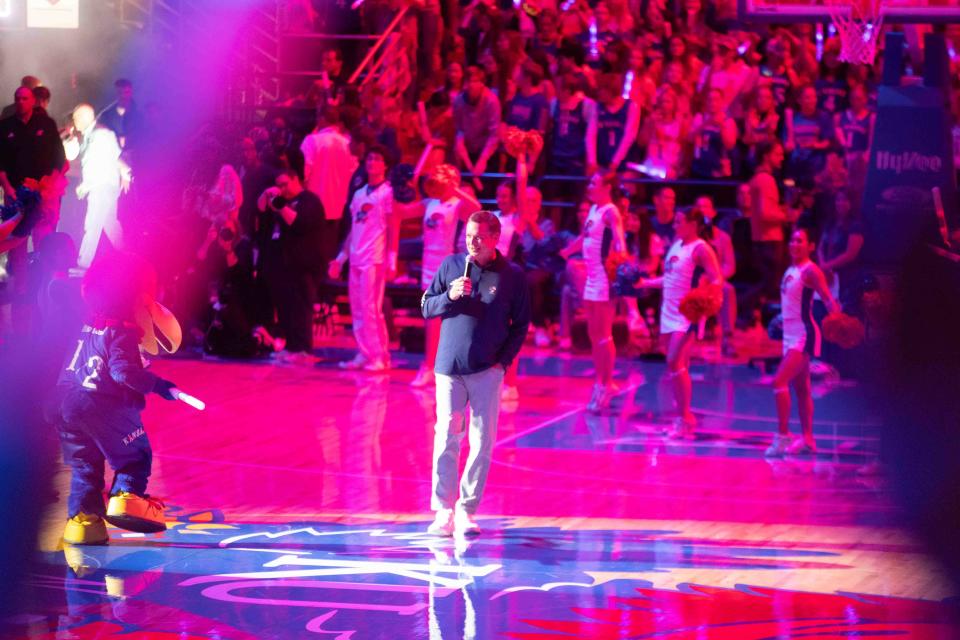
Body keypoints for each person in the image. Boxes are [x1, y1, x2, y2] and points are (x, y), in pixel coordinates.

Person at [57, 253, 179, 545]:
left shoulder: (87, 326)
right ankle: (127, 498)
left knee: (86, 465)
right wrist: (158, 385)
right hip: (103, 404)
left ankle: (83, 523)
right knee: (135, 454)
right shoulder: (120, 332)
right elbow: (124, 373)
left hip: (67, 403)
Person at [422, 210, 530, 536]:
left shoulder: (512, 276)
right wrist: (449, 296)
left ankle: (467, 509)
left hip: (487, 370)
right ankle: (443, 510)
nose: (473, 242)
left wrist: (503, 363)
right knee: (446, 437)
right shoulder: (451, 266)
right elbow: (426, 306)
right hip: (449, 368)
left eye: (480, 237)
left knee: (482, 441)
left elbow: (521, 325)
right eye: (469, 236)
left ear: (496, 238)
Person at [635, 206, 723, 438]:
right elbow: (669, 279)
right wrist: (646, 283)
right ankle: (683, 417)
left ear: (693, 224)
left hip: (686, 315)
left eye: (679, 221)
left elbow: (717, 279)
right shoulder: (676, 246)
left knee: (675, 362)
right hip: (667, 312)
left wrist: (703, 301)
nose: (674, 226)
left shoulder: (701, 249)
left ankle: (685, 417)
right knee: (675, 366)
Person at [765, 227, 841, 457]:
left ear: (810, 246)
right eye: (792, 240)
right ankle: (808, 439)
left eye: (800, 241)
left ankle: (783, 436)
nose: (795, 244)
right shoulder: (790, 269)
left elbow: (828, 299)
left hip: (803, 334)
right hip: (788, 334)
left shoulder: (811, 271)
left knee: (779, 382)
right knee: (802, 389)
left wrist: (839, 323)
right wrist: (780, 318)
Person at [559, 172, 626, 411]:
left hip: (604, 278)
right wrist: (568, 251)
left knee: (603, 334)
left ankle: (604, 384)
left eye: (593, 183)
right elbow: (584, 237)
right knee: (593, 333)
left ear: (607, 187)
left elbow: (619, 240)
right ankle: (603, 380)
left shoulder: (610, 211)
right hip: (591, 277)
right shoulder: (593, 210)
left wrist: (618, 263)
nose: (589, 186)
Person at [329, 146, 396, 372]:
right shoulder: (358, 193)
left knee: (371, 309)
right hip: (356, 258)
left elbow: (393, 228)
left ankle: (380, 356)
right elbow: (353, 229)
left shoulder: (388, 192)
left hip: (374, 259)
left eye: (377, 159)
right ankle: (364, 352)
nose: (372, 162)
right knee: (357, 308)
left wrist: (392, 260)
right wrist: (340, 258)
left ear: (385, 165)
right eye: (369, 158)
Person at [256, 169, 326, 364]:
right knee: (285, 308)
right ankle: (291, 346)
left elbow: (298, 223)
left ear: (297, 180)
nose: (282, 189)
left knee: (301, 308)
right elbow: (260, 209)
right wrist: (266, 194)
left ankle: (303, 348)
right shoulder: (280, 199)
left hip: (304, 265)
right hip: (282, 265)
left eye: (285, 184)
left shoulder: (309, 201)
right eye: (279, 185)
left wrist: (280, 206)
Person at [63, 104, 131, 269]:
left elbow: (97, 165)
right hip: (105, 185)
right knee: (110, 224)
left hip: (101, 185)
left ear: (85, 117)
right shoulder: (92, 134)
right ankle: (128, 255)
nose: (74, 121)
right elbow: (114, 156)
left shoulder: (99, 134)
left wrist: (85, 186)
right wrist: (125, 171)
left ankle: (83, 264)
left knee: (92, 223)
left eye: (77, 117)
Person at [697, 195, 738, 356]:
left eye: (706, 207)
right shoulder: (688, 236)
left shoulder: (723, 237)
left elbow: (729, 265)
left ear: (713, 213)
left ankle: (728, 338)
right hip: (693, 281)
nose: (702, 210)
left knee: (728, 290)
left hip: (715, 281)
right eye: (699, 207)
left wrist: (715, 279)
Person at [453, 66, 501, 186]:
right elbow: (459, 129)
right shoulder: (458, 102)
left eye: (475, 81)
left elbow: (494, 135)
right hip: (468, 152)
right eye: (468, 81)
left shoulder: (491, 101)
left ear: (482, 84)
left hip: (488, 152)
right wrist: (460, 142)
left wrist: (483, 160)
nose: (471, 85)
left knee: (488, 190)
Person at [98, 78, 141, 150]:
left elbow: (143, 137)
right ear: (115, 93)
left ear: (131, 93)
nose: (123, 96)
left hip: (135, 155)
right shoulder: (106, 115)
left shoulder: (139, 116)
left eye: (126, 92)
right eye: (120, 92)